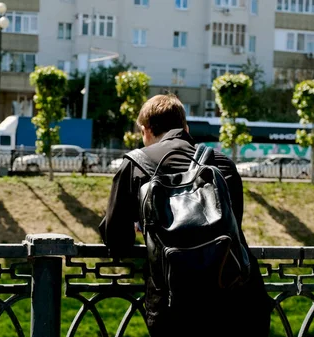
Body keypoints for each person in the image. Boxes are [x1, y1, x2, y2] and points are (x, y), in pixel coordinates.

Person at [99, 94, 273, 337]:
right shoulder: (222, 165)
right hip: (237, 300)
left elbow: (117, 242)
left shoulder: (134, 165)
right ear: (186, 128)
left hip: (175, 307)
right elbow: (232, 228)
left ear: (144, 130)